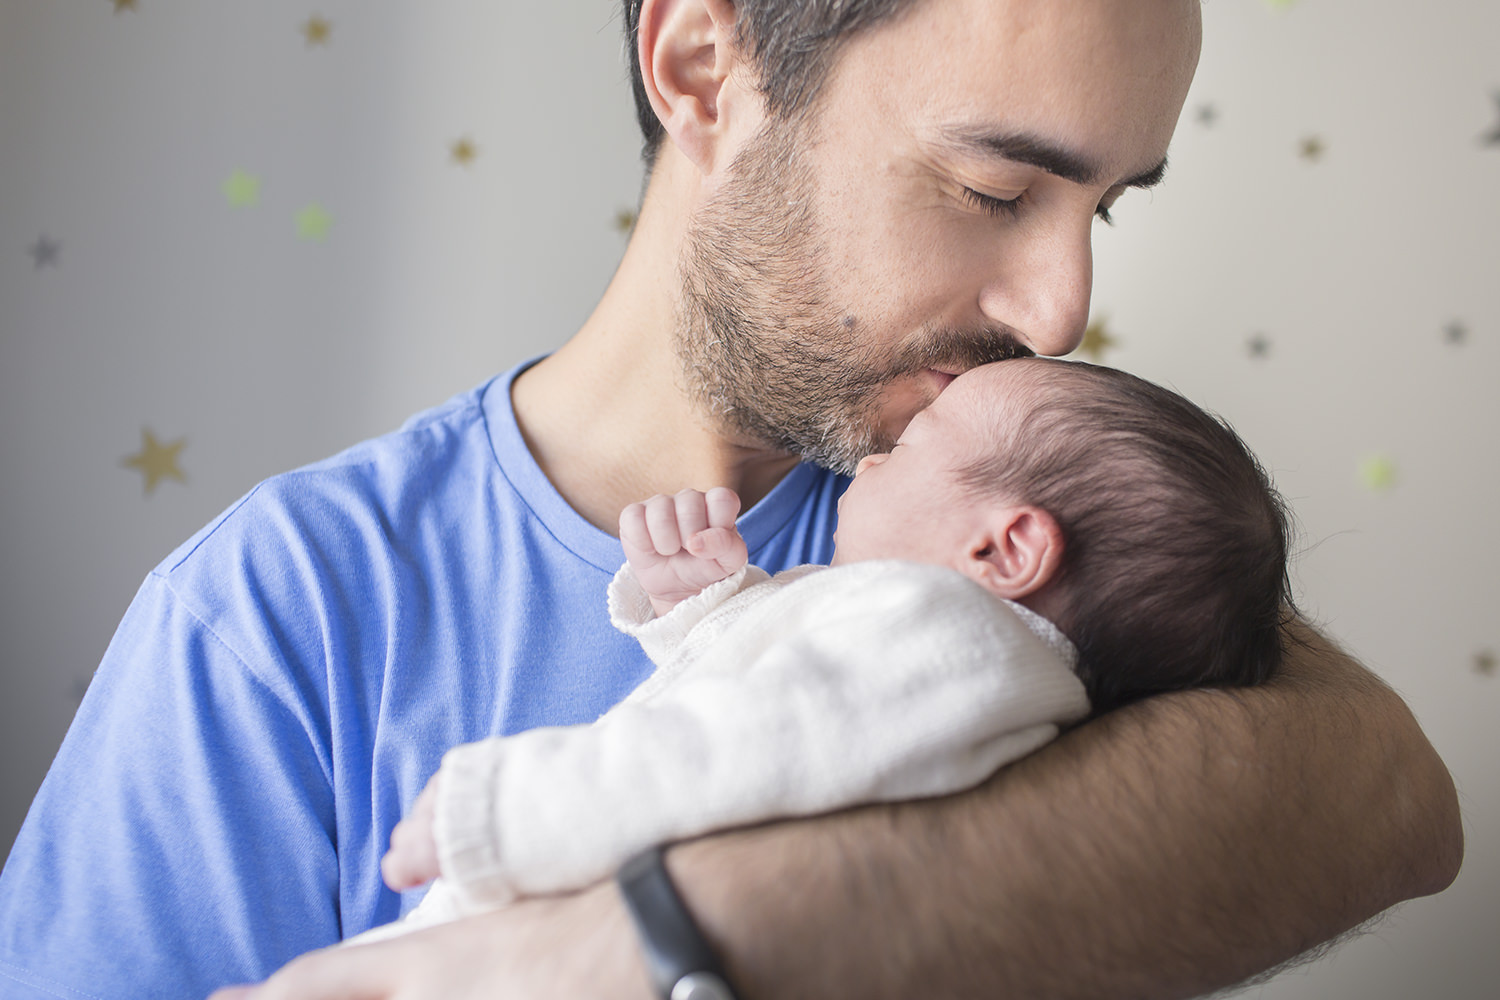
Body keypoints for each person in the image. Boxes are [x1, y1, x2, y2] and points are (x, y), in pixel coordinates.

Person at [0, 1, 1461, 998]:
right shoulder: (281, 614)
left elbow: (1386, 790)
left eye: (1108, 206)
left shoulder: (1033, 534)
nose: (1064, 308)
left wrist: (665, 941)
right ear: (703, 66)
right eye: (997, 191)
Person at [354, 357, 1292, 943]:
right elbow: (786, 705)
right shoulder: (959, 667)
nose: (873, 460)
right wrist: (709, 603)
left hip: (533, 910)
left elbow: (733, 753)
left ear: (1004, 549)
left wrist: (500, 810)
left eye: (917, 445)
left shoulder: (950, 636)